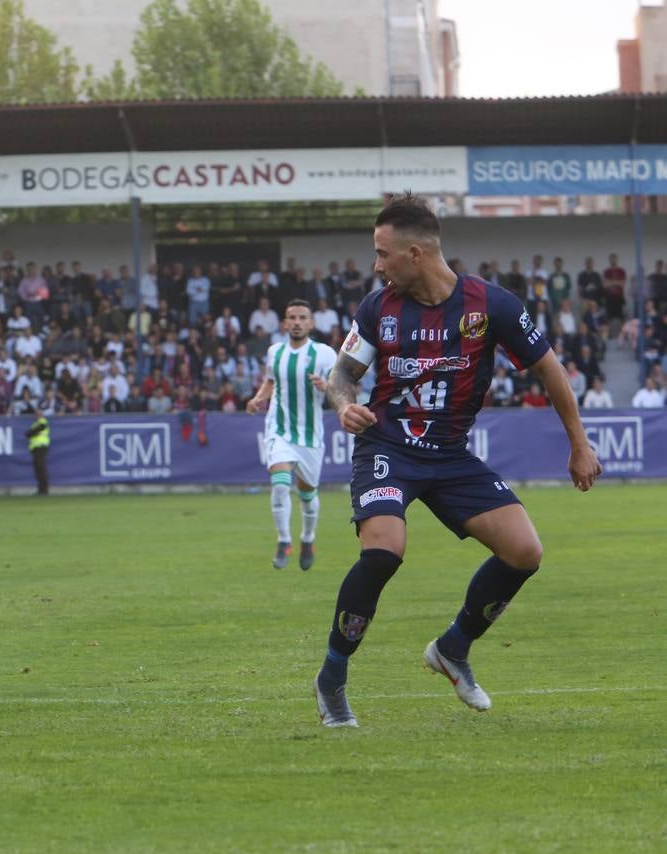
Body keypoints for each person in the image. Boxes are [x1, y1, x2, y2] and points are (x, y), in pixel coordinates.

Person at [314, 195, 601, 728]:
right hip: (387, 447)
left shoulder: (491, 305)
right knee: (384, 552)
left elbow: (551, 370)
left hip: (449, 455)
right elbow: (341, 376)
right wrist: (345, 406)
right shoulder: (378, 307)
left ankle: (452, 647)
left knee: (524, 552)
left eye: (383, 254)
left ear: (415, 253)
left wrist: (578, 442)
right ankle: (332, 678)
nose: (376, 265)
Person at [245, 299, 337, 571]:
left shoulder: (324, 354)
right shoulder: (275, 352)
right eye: (292, 317)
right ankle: (284, 540)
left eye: (302, 317)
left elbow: (342, 387)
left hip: (310, 434)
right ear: (285, 323)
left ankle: (307, 539)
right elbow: (271, 381)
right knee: (281, 484)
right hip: (279, 428)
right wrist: (258, 398)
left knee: (307, 494)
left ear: (311, 323)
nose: (296, 322)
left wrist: (326, 386)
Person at [26, 413, 50, 495]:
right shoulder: (35, 423)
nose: (36, 414)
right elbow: (28, 433)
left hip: (41, 447)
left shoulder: (42, 422)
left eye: (38, 413)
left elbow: (32, 432)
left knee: (41, 468)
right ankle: (41, 489)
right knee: (38, 469)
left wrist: (32, 432)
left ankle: (44, 489)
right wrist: (32, 432)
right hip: (36, 448)